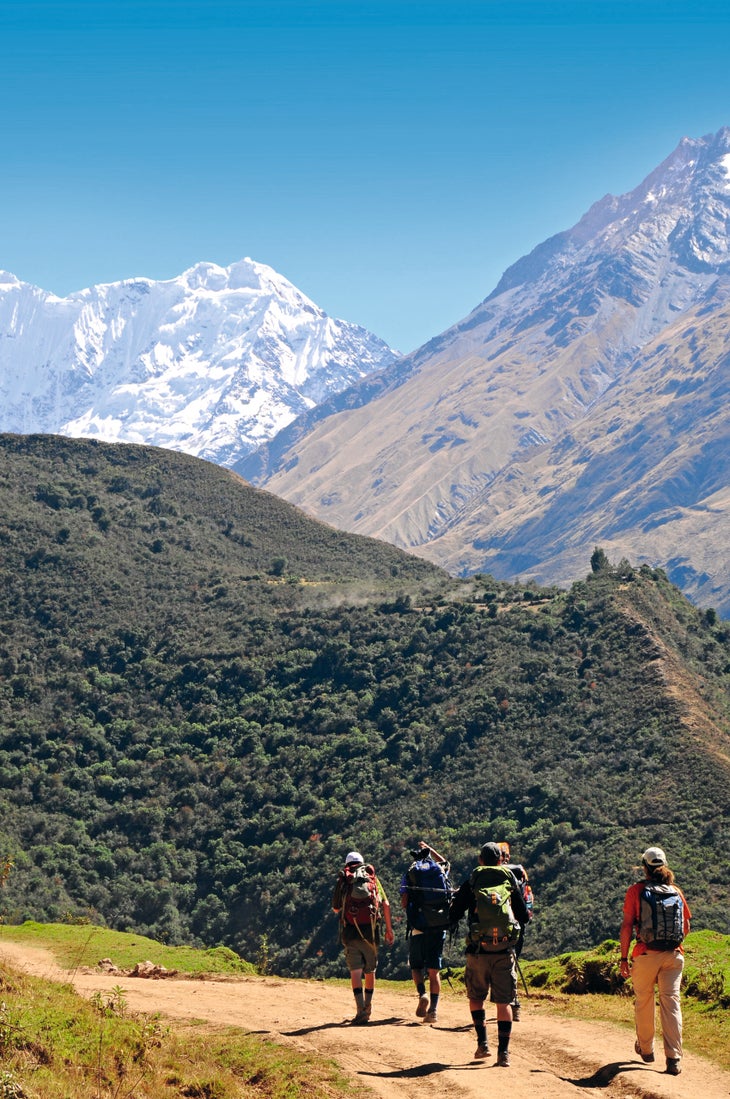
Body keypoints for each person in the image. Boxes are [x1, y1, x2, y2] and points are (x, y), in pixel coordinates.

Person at [450, 841, 529, 1067]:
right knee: (503, 1003)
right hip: (504, 950)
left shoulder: (474, 879)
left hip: (478, 950)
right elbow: (524, 916)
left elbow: (454, 912)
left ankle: (483, 1043)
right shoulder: (509, 879)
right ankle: (503, 1053)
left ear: (480, 860)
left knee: (476, 998)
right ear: (500, 859)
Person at [619, 845, 691, 1076]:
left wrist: (623, 958)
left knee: (644, 1000)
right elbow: (686, 926)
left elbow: (627, 926)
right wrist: (669, 941)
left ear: (644, 868)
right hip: (674, 954)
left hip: (646, 953)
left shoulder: (636, 891)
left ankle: (647, 1049)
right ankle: (674, 1058)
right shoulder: (675, 891)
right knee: (671, 1003)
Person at [332, 850, 395, 1024]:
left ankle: (360, 1010)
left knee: (355, 971)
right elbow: (386, 904)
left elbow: (336, 908)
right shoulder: (372, 878)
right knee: (370, 970)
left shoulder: (344, 879)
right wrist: (389, 930)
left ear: (347, 864)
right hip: (371, 932)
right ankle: (368, 1007)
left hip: (351, 931)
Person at [400, 840, 452, 1023]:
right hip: (439, 926)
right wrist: (431, 850)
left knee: (416, 966)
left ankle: (422, 993)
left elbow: (404, 902)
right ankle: (433, 1011)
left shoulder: (411, 873)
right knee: (433, 970)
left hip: (419, 926)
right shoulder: (439, 869)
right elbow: (446, 862)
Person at [498, 841, 534, 1021]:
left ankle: (507, 1003)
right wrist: (525, 919)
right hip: (517, 926)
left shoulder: (487, 875)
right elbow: (528, 899)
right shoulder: (519, 873)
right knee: (511, 962)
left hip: (494, 928)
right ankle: (514, 1003)